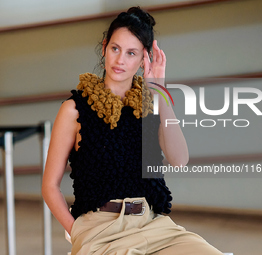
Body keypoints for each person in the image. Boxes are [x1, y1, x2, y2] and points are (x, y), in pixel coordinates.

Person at [42, 6, 223, 255]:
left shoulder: (148, 105)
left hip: (154, 226)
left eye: (131, 53)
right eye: (115, 48)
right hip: (100, 230)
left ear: (143, 59)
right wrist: (77, 232)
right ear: (105, 46)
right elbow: (50, 185)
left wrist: (158, 89)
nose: (120, 60)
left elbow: (179, 159)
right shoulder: (74, 110)